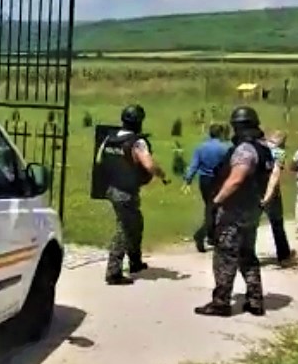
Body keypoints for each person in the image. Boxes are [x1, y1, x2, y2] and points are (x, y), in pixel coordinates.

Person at [194, 106, 281, 317]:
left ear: (238, 127)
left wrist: (216, 201)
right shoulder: (264, 149)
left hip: (234, 211)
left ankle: (221, 303)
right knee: (247, 255)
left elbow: (236, 179)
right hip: (251, 211)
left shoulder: (245, 150)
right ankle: (255, 300)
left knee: (225, 256)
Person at [96, 104, 169, 285]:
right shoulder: (137, 142)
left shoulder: (110, 138)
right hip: (126, 192)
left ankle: (135, 261)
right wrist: (161, 175)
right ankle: (113, 272)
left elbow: (99, 161)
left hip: (112, 188)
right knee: (126, 229)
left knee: (136, 223)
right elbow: (149, 165)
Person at [182, 123, 230, 253]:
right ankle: (201, 234)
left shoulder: (201, 147)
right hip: (218, 180)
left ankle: (211, 236)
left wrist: (188, 180)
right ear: (220, 133)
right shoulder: (225, 148)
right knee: (214, 208)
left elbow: (194, 165)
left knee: (210, 207)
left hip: (204, 181)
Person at [263, 130, 296, 268]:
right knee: (277, 223)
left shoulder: (260, 147)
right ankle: (283, 255)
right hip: (272, 190)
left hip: (255, 188)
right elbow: (276, 173)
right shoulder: (280, 153)